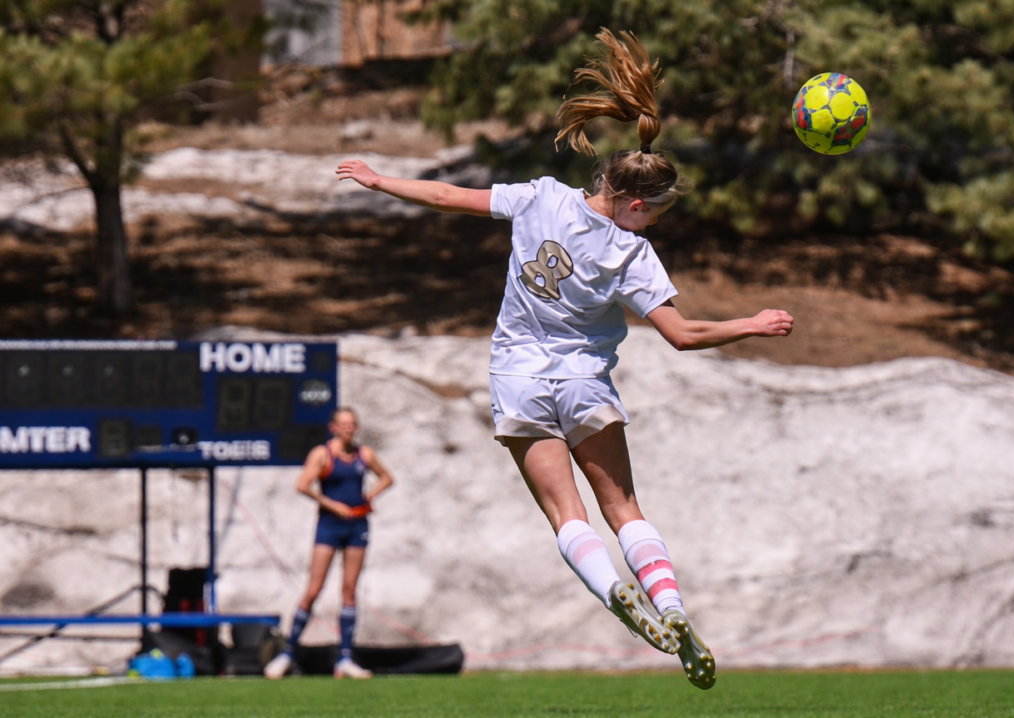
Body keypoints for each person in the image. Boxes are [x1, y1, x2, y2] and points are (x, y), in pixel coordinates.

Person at [334, 29, 793, 690]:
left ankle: (613, 594)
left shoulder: (540, 196)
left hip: (519, 383)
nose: (656, 223)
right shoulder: (634, 255)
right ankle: (670, 606)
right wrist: (750, 323)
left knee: (565, 517)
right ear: (635, 206)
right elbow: (683, 336)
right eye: (656, 213)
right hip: (583, 385)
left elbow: (448, 197)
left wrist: (378, 179)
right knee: (625, 510)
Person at [264, 407, 395, 679]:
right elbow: (302, 485)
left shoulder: (364, 454)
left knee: (349, 589)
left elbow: (387, 478)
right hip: (329, 525)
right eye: (344, 425)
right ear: (333, 427)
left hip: (357, 524)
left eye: (353, 424)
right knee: (314, 588)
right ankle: (288, 653)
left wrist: (369, 497)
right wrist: (331, 504)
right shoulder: (322, 454)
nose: (349, 429)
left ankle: (345, 658)